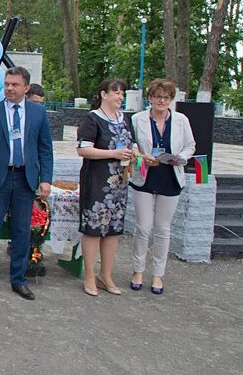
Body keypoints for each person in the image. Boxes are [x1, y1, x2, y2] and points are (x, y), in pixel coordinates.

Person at [0, 67, 53, 301]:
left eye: (14, 84)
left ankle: (18, 280)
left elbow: (45, 149)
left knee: (21, 231)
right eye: (7, 84)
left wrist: (45, 179)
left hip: (25, 180)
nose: (9, 88)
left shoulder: (38, 113)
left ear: (26, 88)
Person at [129, 78, 195, 295]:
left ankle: (158, 274)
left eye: (166, 97)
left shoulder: (181, 120)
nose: (161, 101)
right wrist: (140, 155)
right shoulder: (138, 119)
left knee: (163, 229)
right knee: (142, 227)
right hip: (145, 177)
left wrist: (180, 158)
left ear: (171, 100)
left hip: (170, 177)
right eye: (157, 96)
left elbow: (190, 145)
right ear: (150, 98)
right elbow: (132, 143)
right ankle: (138, 270)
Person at [76, 79, 138, 296]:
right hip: (97, 181)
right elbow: (83, 150)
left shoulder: (125, 119)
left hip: (119, 183)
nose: (119, 97)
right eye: (115, 93)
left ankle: (106, 274)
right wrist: (112, 154)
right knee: (94, 228)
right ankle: (90, 275)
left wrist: (135, 154)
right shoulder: (92, 119)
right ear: (104, 94)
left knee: (113, 230)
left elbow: (133, 144)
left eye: (122, 93)